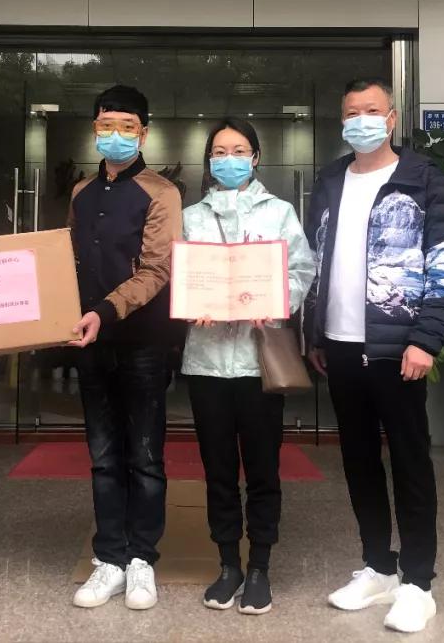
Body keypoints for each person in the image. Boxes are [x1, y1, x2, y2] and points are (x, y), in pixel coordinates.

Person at [305, 79, 444, 634]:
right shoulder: (330, 179)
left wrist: (426, 339)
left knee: (410, 462)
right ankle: (378, 566)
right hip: (341, 345)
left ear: (391, 118)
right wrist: (316, 334)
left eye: (371, 111)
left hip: (399, 348)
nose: (361, 120)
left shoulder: (422, 177)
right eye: (352, 113)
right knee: (358, 460)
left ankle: (418, 583)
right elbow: (317, 259)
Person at [180, 119, 315, 615]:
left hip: (260, 364)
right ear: (209, 160)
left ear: (255, 158)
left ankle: (259, 566)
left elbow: (302, 268)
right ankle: (227, 564)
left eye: (239, 151)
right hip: (206, 362)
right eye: (219, 151)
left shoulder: (280, 212)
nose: (228, 159)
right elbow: (181, 275)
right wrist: (191, 303)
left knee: (262, 469)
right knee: (217, 470)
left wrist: (276, 300)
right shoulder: (191, 217)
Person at [68, 85, 182, 611]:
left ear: (144, 132)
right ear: (95, 129)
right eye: (107, 124)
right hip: (90, 342)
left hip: (142, 342)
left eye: (128, 126)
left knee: (144, 456)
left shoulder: (161, 192)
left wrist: (105, 311)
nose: (116, 134)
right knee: (102, 456)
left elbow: (158, 269)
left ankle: (141, 560)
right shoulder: (81, 192)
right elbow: (68, 262)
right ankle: (109, 558)